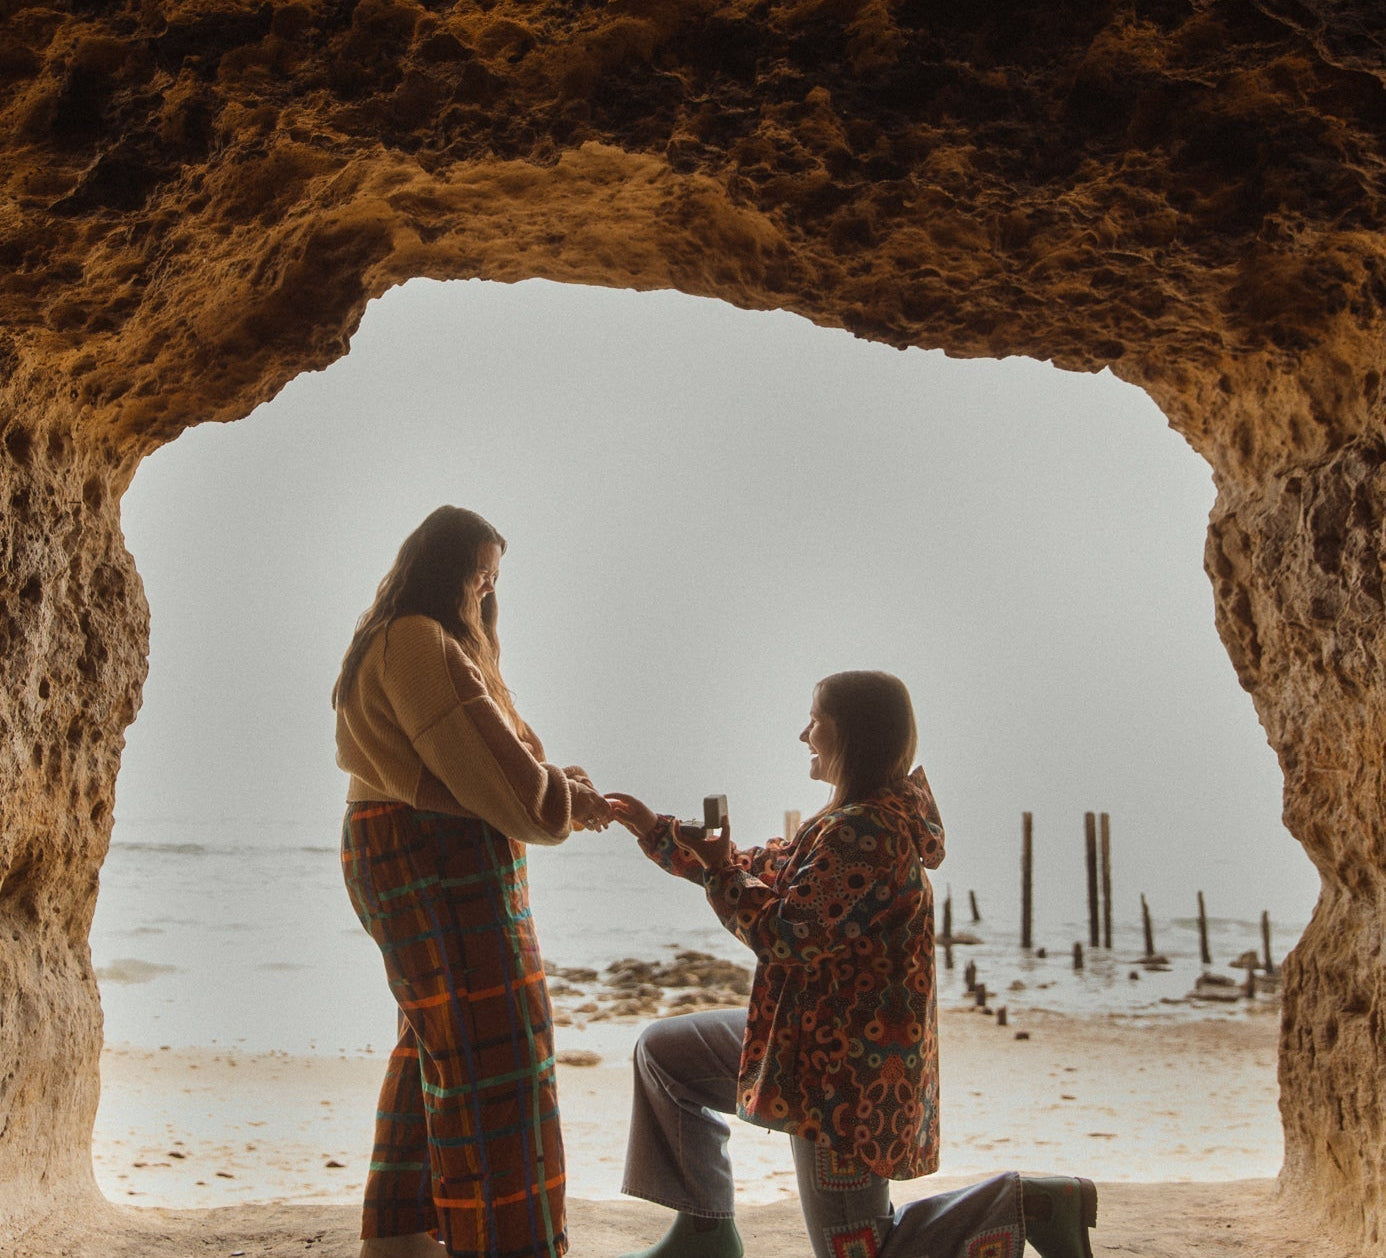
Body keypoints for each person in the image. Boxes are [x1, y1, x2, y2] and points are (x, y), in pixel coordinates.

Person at [608, 670, 1098, 1258]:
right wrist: (652, 828)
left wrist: (719, 871)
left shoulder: (867, 831)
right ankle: (705, 1231)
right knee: (666, 1056)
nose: (803, 734)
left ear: (853, 734)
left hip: (845, 1079)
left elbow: (785, 936)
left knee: (855, 1250)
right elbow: (758, 867)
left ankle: (1032, 1202)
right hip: (806, 1041)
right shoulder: (852, 819)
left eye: (815, 719)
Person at [333, 505, 611, 1258]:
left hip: (415, 851)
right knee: (501, 1058)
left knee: (439, 1043)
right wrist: (561, 801)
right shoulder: (418, 641)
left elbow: (488, 763)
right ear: (442, 568)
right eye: (479, 571)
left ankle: (403, 1239)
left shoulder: (405, 639)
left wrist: (555, 786)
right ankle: (504, 1246)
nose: (487, 587)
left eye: (494, 577)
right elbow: (500, 781)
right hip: (431, 856)